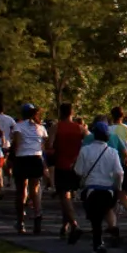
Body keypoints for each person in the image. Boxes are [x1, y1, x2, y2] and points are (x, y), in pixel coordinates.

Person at [74, 115, 126, 253]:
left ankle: (98, 246)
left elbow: (78, 171)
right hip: (108, 191)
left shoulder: (85, 150)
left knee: (95, 222)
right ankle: (100, 245)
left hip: (92, 191)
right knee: (106, 214)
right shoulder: (112, 152)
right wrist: (118, 186)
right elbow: (119, 173)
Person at [9, 103, 49, 235]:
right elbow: (44, 145)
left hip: (22, 158)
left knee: (21, 191)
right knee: (35, 190)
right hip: (36, 158)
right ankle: (38, 215)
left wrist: (11, 156)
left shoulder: (18, 126)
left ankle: (20, 221)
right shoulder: (41, 128)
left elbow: (17, 143)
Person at [51, 103, 88, 244]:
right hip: (75, 165)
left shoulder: (56, 127)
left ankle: (74, 224)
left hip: (62, 164)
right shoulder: (80, 128)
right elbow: (88, 139)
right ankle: (64, 225)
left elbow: (49, 144)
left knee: (64, 196)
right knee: (68, 195)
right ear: (72, 112)